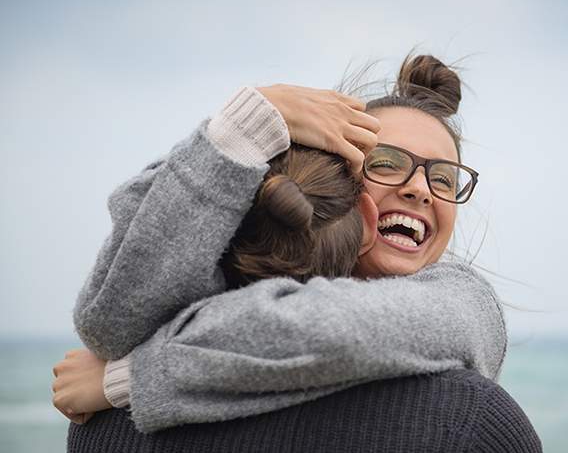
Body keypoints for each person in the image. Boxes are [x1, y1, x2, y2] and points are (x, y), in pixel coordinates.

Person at [53, 54, 541, 451]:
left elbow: (338, 330)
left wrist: (130, 379)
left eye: (445, 179)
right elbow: (113, 317)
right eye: (388, 163)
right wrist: (240, 132)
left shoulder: (464, 307)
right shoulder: (472, 424)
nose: (421, 189)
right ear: (340, 184)